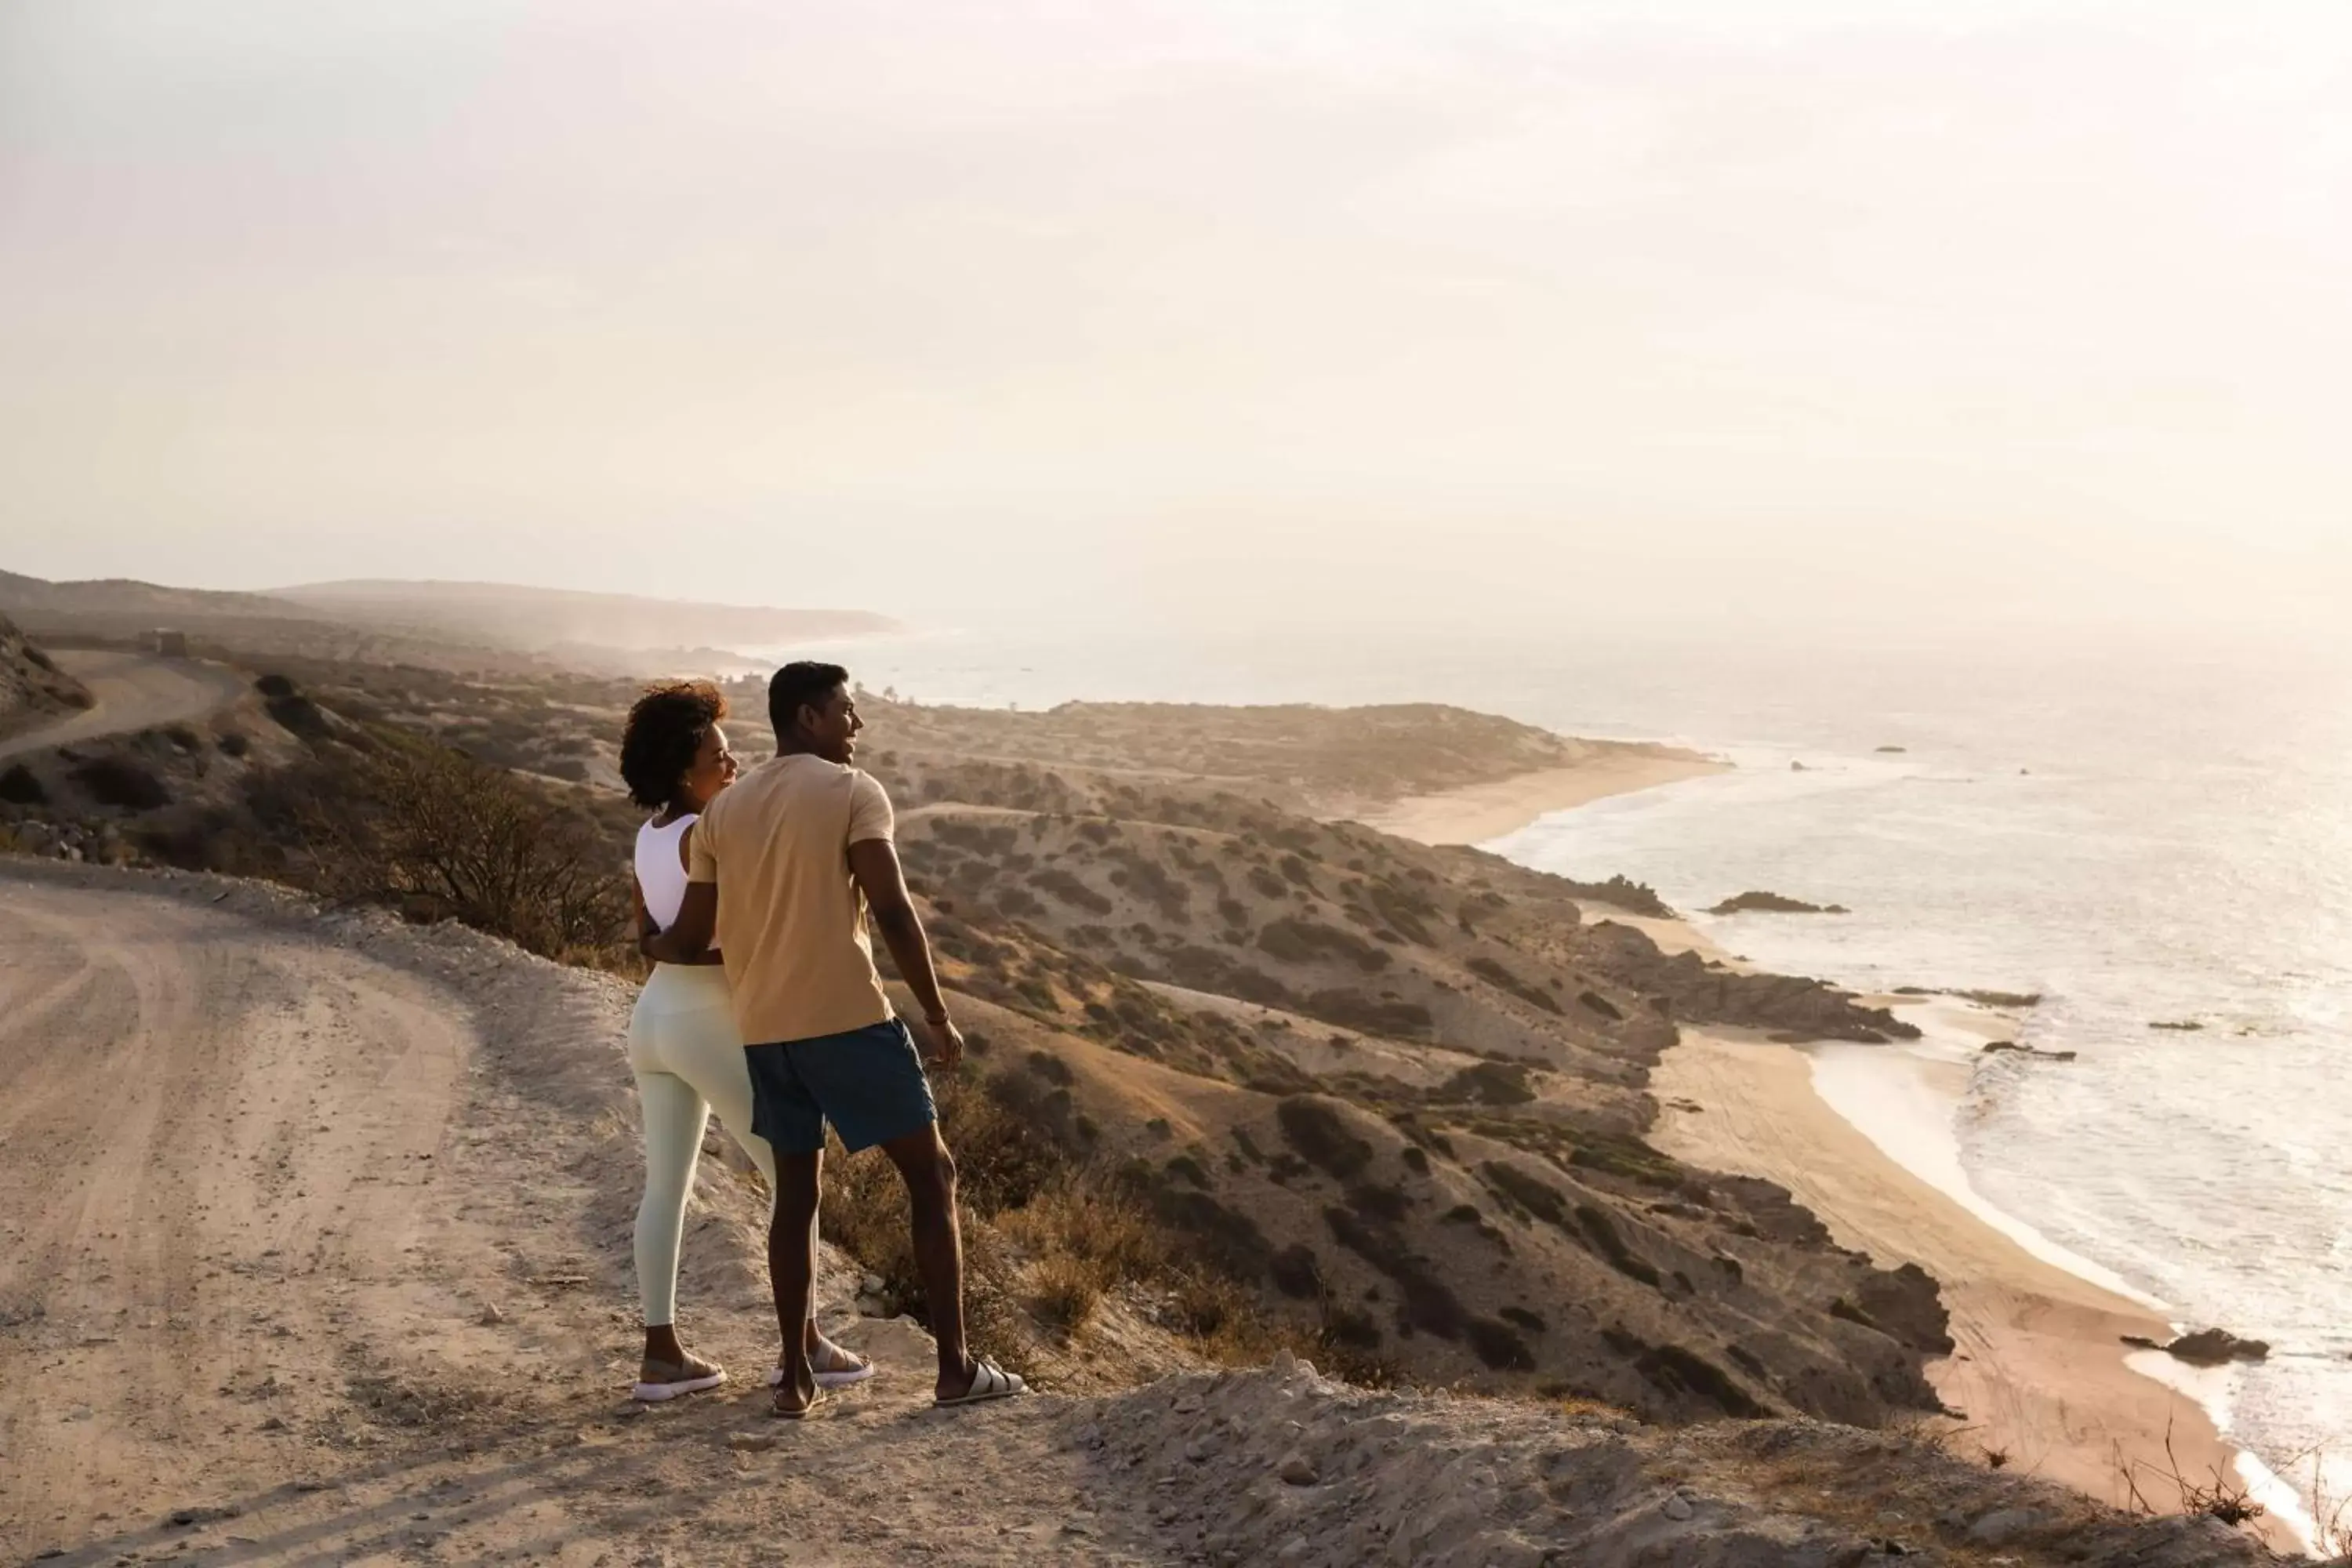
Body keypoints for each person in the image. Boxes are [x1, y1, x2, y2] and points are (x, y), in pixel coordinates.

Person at [645, 662, 1024, 1417]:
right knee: (932, 1176)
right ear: (809, 716)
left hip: (766, 1033)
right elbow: (891, 908)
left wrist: (647, 941)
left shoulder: (724, 813)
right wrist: (938, 1015)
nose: (858, 726)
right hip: (850, 1020)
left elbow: (687, 938)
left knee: (795, 1195)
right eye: (848, 711)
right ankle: (954, 1369)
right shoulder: (854, 792)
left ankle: (794, 1379)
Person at [619, 680, 873, 1403]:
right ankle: (808, 1347)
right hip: (707, 1023)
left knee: (665, 1187)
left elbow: (653, 937)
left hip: (654, 1023)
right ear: (681, 770)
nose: (732, 768)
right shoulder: (713, 833)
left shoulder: (650, 836)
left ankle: (661, 1355)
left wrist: (675, 949)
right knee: (796, 1178)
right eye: (718, 757)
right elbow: (736, 935)